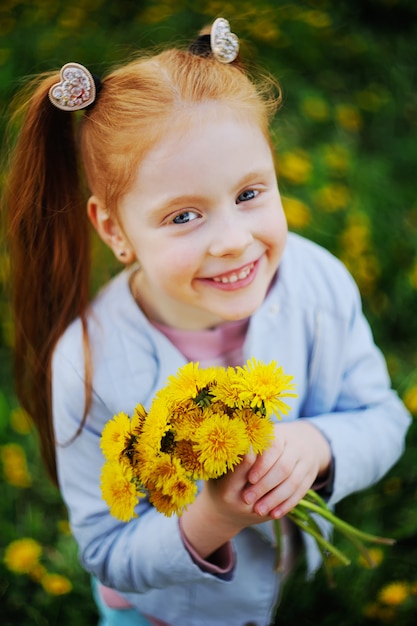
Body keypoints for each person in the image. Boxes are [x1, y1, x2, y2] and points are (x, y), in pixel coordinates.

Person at [4, 17, 411, 626]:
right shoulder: (87, 365)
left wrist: (319, 445)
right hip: (159, 613)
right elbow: (107, 551)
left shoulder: (319, 284)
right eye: (184, 216)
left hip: (279, 587)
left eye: (250, 194)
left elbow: (384, 418)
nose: (232, 241)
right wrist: (213, 518)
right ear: (114, 230)